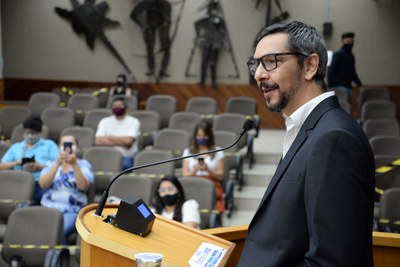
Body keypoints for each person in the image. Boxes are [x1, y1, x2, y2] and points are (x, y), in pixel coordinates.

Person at [240, 21, 375, 266]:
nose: (259, 73)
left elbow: (331, 262)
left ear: (310, 66)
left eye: (270, 61)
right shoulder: (307, 127)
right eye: (256, 64)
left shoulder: (334, 138)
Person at [39, 135, 94, 244]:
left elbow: (83, 186)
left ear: (77, 148)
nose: (67, 147)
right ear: (59, 147)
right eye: (64, 144)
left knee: (58, 231)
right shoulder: (51, 164)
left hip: (71, 210)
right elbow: (43, 184)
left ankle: (57, 259)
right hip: (48, 207)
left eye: (71, 144)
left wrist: (74, 165)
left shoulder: (83, 165)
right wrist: (57, 164)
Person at [0, 116, 59, 204]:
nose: (30, 136)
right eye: (28, 132)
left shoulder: (50, 145)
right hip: (18, 183)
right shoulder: (16, 147)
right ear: (23, 131)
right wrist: (15, 163)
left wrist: (41, 167)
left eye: (33, 133)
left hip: (40, 183)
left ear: (40, 132)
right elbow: (1, 167)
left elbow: (60, 165)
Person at [182, 120, 225, 213]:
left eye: (205, 135)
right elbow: (185, 175)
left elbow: (221, 176)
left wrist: (208, 170)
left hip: (211, 183)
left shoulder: (218, 151)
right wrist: (193, 171)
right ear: (195, 136)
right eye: (199, 136)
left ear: (209, 136)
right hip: (192, 183)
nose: (202, 138)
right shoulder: (188, 151)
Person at [130, 0, 172, 80]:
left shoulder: (165, 4)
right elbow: (133, 15)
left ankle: (163, 69)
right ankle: (151, 68)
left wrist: (165, 28)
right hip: (150, 26)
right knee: (150, 47)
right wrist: (143, 25)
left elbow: (168, 20)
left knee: (166, 47)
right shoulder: (147, 3)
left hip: (162, 26)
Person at [95, 96, 141, 169]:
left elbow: (128, 141)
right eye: (115, 106)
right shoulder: (104, 121)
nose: (117, 107)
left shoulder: (134, 121)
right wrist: (121, 143)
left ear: (126, 108)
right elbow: (97, 141)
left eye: (120, 105)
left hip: (126, 157)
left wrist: (109, 137)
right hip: (105, 156)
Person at [194, 0, 226, 87]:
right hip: (207, 42)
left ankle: (213, 81)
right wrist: (199, 37)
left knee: (212, 63)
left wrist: (218, 41)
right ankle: (202, 80)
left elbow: (223, 31)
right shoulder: (207, 19)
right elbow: (196, 24)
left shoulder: (219, 20)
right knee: (204, 62)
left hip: (215, 43)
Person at [328, 32, 362, 101]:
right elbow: (331, 71)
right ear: (343, 41)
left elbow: (353, 73)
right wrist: (330, 88)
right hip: (338, 87)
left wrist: (360, 85)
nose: (350, 43)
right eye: (348, 41)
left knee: (347, 107)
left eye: (351, 41)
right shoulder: (338, 54)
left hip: (348, 87)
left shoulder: (351, 56)